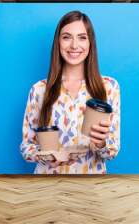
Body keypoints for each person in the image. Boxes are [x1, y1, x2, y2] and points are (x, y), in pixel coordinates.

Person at [20, 10, 120, 174]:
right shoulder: (39, 90)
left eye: (82, 37)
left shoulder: (109, 87)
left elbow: (112, 150)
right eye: (67, 37)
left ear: (90, 43)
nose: (74, 45)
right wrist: (48, 157)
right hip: (47, 185)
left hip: (91, 186)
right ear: (58, 42)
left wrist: (102, 143)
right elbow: (26, 146)